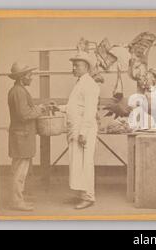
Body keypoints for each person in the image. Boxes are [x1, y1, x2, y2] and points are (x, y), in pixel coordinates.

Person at [52, 52, 100, 210]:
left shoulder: (90, 85)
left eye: (77, 65)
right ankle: (81, 194)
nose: (73, 67)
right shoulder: (80, 83)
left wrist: (83, 133)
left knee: (85, 163)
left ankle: (88, 197)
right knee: (77, 164)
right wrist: (58, 108)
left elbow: (89, 112)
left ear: (86, 67)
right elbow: (74, 107)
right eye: (73, 64)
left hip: (83, 130)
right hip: (75, 129)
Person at [7, 62, 44, 211]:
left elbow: (25, 110)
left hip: (22, 136)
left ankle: (18, 198)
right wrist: (40, 110)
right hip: (21, 136)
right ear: (22, 77)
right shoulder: (18, 92)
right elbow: (24, 114)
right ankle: (16, 201)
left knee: (20, 169)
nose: (32, 77)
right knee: (19, 171)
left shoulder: (18, 90)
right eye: (29, 75)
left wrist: (39, 108)